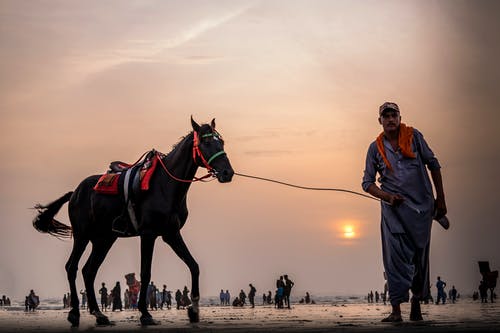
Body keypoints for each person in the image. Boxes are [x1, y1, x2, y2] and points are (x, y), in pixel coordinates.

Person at [362, 101, 448, 322]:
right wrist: (388, 197)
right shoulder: (375, 147)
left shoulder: (414, 137)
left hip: (420, 209)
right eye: (386, 116)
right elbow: (367, 183)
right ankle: (396, 310)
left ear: (400, 118)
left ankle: (416, 302)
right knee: (395, 259)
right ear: (379, 120)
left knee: (419, 258)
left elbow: (433, 164)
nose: (390, 119)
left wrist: (441, 200)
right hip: (393, 212)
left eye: (394, 115)